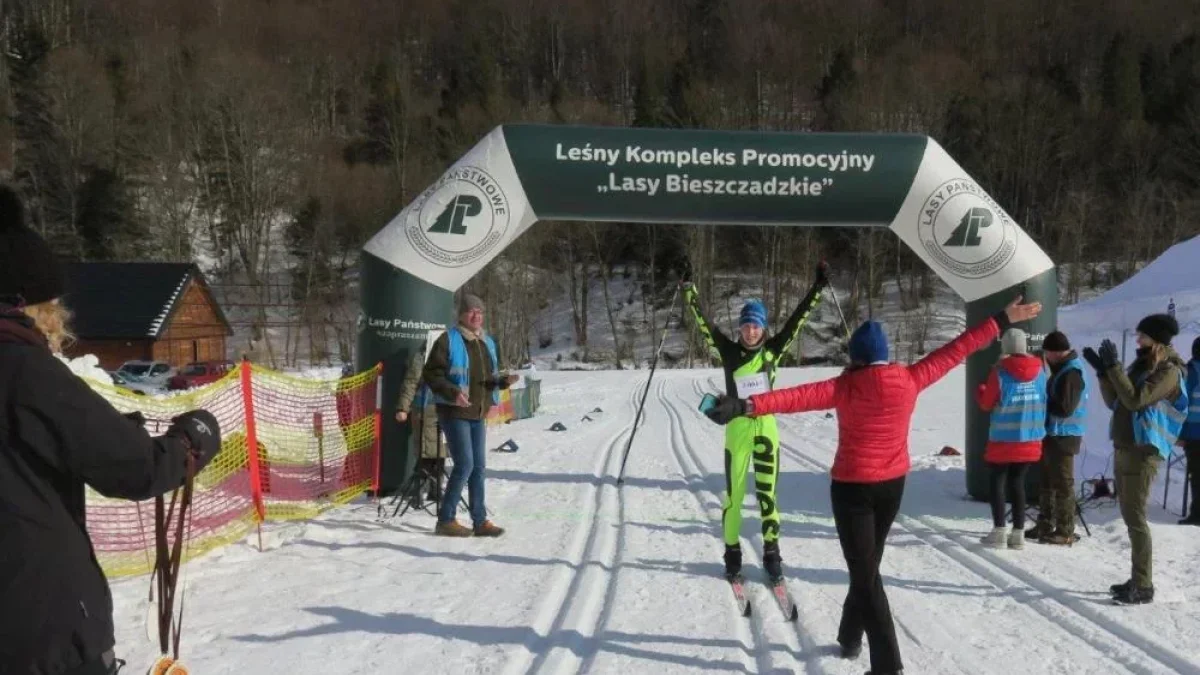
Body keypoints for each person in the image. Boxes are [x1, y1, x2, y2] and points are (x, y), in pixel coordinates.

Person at [706, 295, 1043, 675]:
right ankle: (850, 636)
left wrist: (743, 406)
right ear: (884, 355)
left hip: (852, 490)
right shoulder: (911, 378)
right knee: (866, 567)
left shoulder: (845, 386)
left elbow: (792, 398)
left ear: (857, 357)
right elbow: (958, 348)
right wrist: (1000, 319)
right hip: (892, 488)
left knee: (866, 575)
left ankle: (888, 667)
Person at [0, 185, 222, 675]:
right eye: (52, 309)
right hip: (38, 631)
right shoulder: (25, 370)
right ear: (27, 304)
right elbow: (136, 468)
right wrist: (194, 437)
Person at [685, 261, 828, 581]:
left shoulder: (773, 350)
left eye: (757, 326)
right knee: (734, 497)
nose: (751, 331)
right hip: (737, 434)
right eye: (747, 326)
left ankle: (772, 551)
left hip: (766, 431)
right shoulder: (729, 351)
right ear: (740, 328)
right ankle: (732, 551)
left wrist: (817, 289)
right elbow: (703, 322)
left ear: (763, 328)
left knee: (767, 498)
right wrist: (688, 290)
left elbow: (796, 321)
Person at [1083, 314, 1188, 605]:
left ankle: (1143, 585)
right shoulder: (1143, 365)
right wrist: (1104, 374)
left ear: (1157, 339)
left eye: (1142, 336)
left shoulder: (1168, 371)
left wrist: (1114, 368)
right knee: (1130, 517)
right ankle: (1138, 578)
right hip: (1125, 446)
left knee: (1135, 517)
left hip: (1144, 452)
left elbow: (1136, 400)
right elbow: (1116, 402)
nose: (1138, 340)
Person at [422, 293, 518, 537]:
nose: (477, 316)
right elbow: (432, 374)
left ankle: (480, 521)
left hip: (478, 412)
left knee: (478, 468)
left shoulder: (486, 342)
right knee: (465, 465)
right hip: (454, 410)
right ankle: (445, 519)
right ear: (461, 315)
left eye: (480, 311)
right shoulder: (448, 340)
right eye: (471, 311)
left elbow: (487, 378)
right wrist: (452, 392)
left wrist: (502, 382)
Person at [975, 328, 1047, 550]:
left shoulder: (1000, 373)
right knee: (1018, 484)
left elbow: (987, 404)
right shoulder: (1041, 372)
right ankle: (1018, 534)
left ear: (1004, 347)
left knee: (997, 482)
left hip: (1003, 439)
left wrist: (981, 390)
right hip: (1030, 438)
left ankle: (999, 531)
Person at [1031, 331, 1087, 544]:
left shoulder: (1072, 373)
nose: (1045, 357)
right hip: (1053, 433)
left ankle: (1065, 530)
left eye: (1047, 353)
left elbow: (1065, 408)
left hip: (1065, 435)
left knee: (1063, 484)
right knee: (1047, 481)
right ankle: (1045, 523)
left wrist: (1043, 402)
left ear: (1054, 353)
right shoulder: (1062, 370)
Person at [396, 334, 447, 508]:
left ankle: (435, 489)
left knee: (440, 451)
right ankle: (418, 492)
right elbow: (410, 383)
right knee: (426, 452)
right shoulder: (421, 358)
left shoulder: (450, 356)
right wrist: (403, 408)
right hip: (424, 409)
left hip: (444, 409)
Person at [1180, 337, 1200, 526]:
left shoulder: (1190, 372)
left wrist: (1179, 434)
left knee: (1196, 475)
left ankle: (1197, 515)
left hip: (1193, 434)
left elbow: (1182, 405)